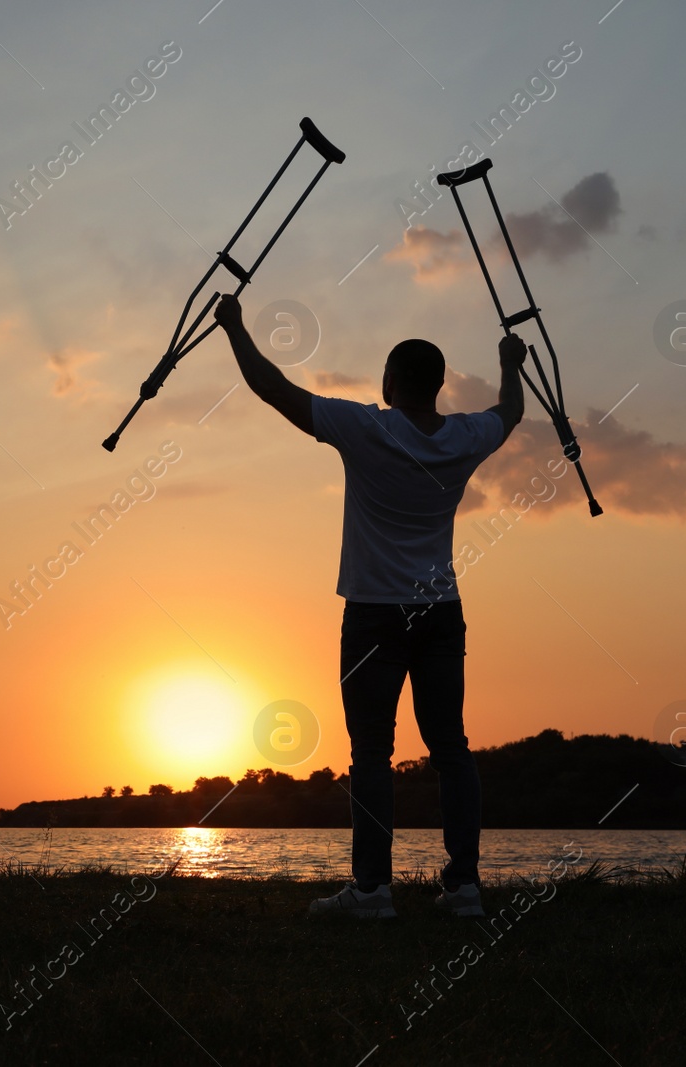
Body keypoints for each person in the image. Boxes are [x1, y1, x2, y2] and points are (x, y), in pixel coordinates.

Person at [212, 293, 524, 920]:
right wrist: (510, 360)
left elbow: (273, 389)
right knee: (451, 747)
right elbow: (510, 412)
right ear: (437, 385)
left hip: (375, 614)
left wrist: (234, 327)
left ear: (390, 381)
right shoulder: (465, 436)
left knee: (372, 752)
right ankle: (464, 889)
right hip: (440, 611)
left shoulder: (367, 427)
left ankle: (374, 892)